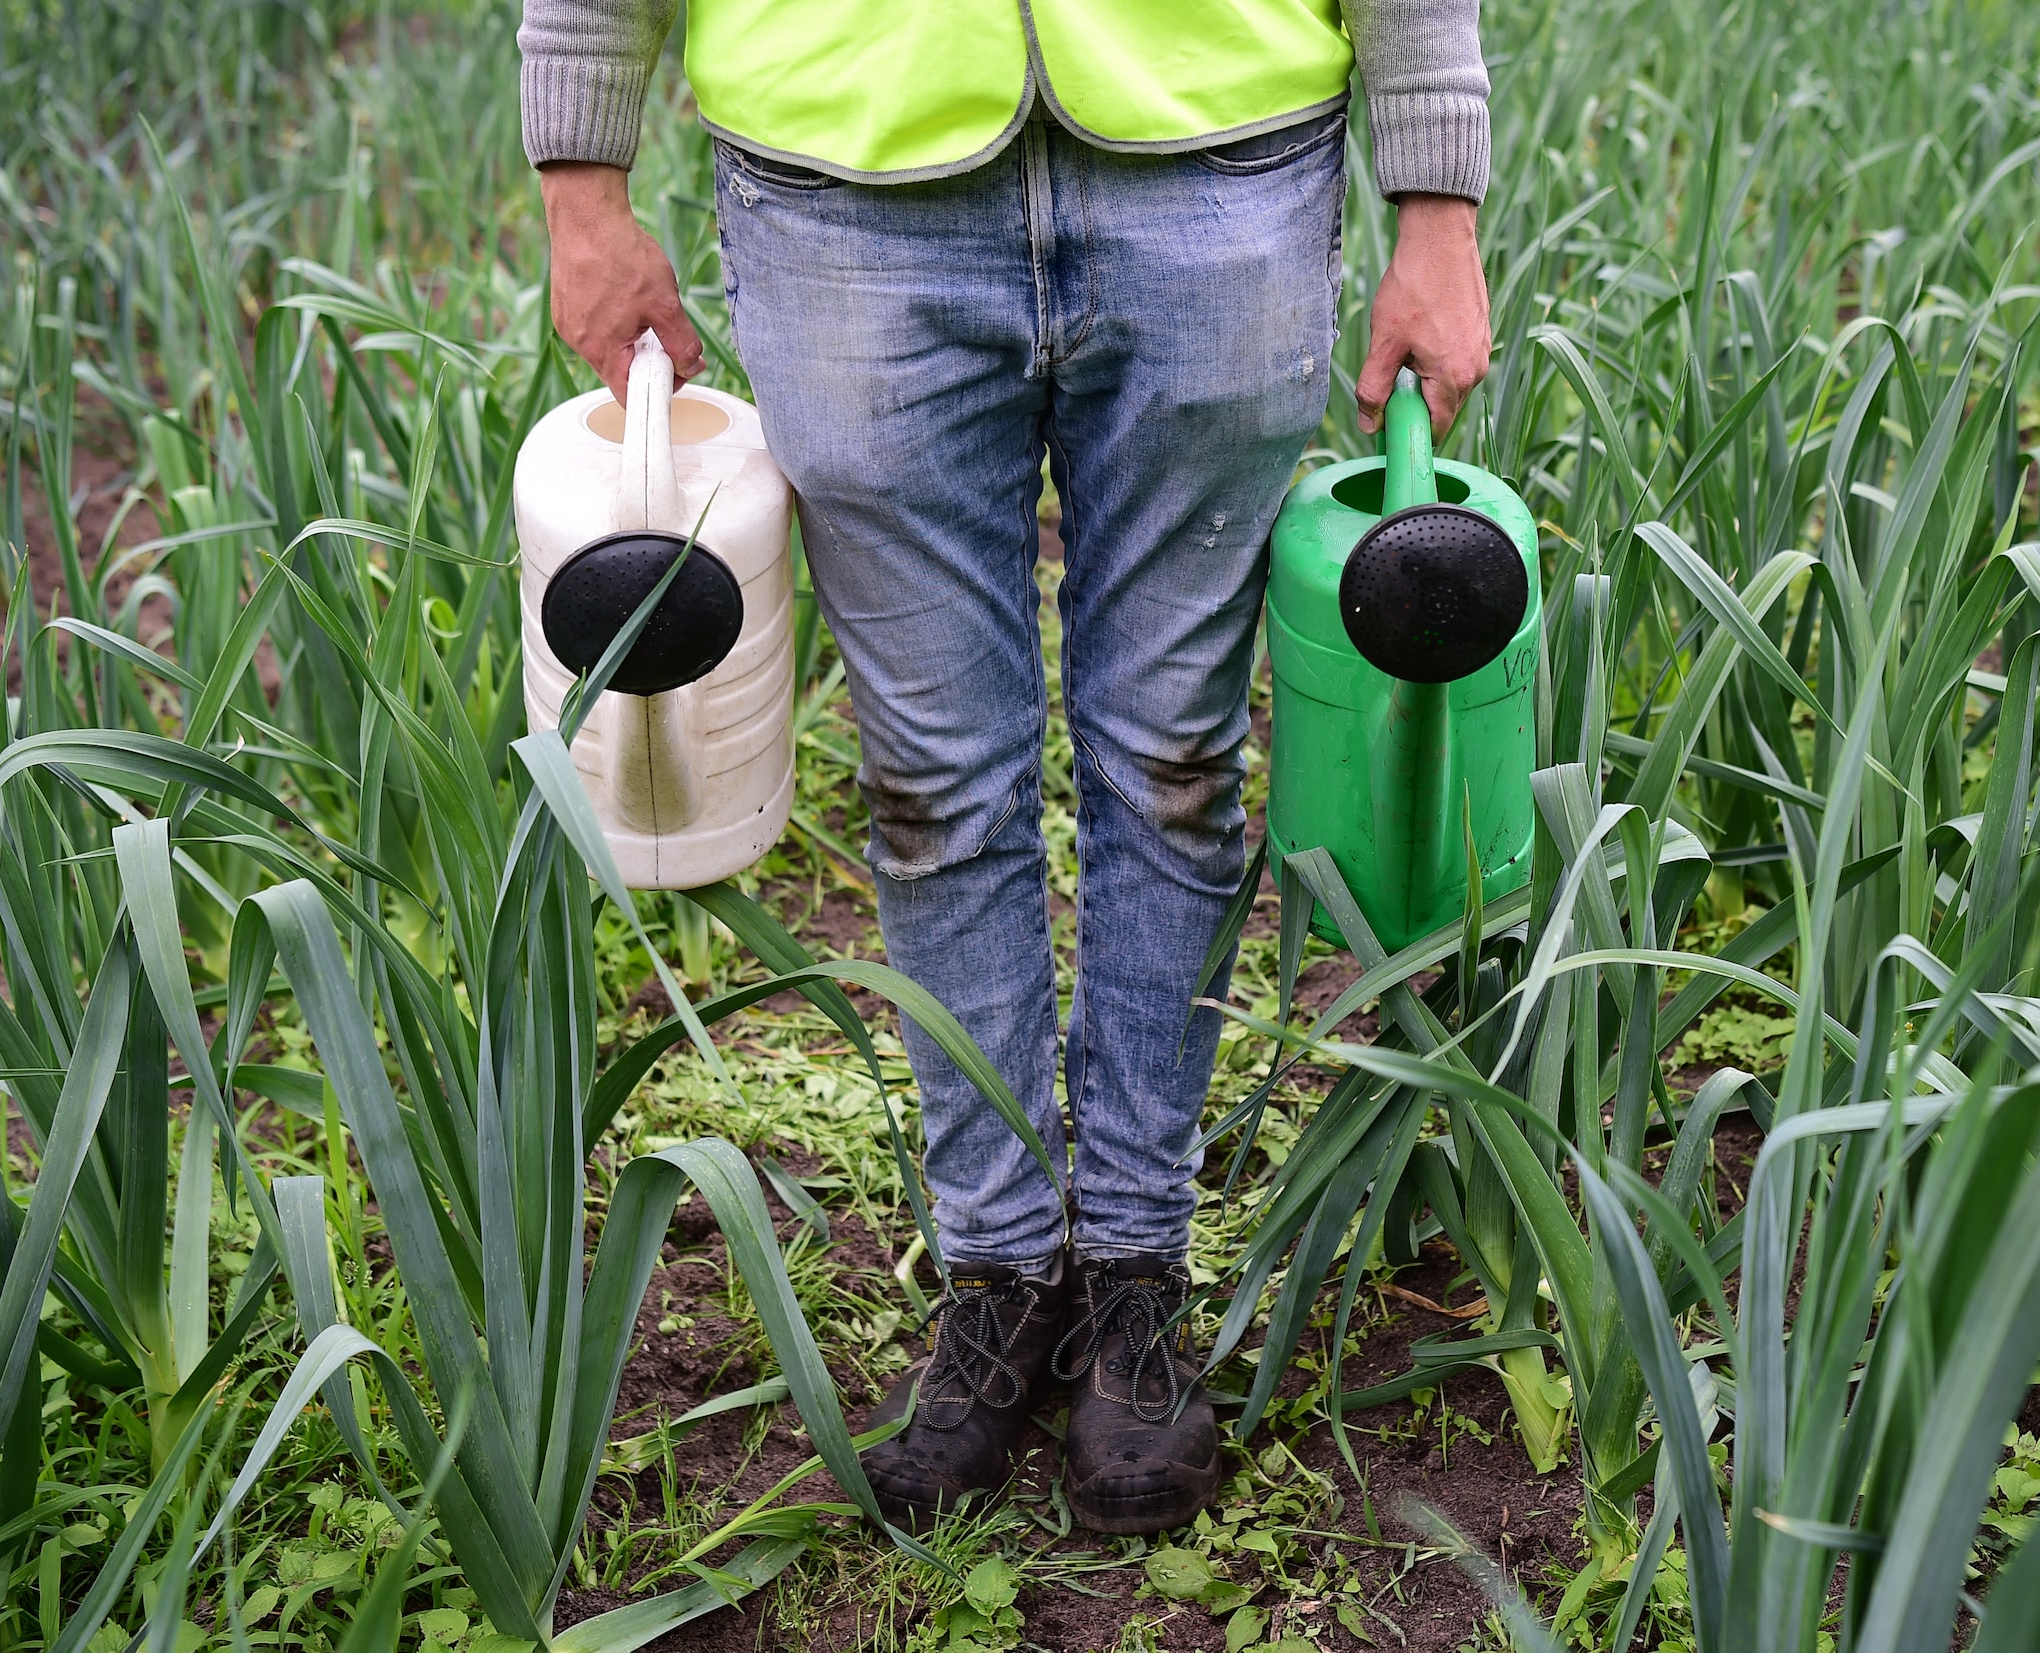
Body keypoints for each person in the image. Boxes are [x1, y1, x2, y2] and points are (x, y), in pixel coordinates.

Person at [518, 0, 1493, 1535]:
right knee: (929, 779)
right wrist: (584, 182)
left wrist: (1438, 200)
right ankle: (997, 1270)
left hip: (1216, 167)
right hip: (846, 191)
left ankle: (1132, 1272)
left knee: (1175, 760)